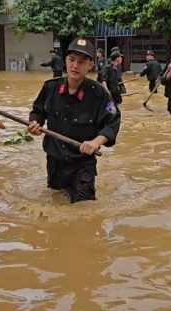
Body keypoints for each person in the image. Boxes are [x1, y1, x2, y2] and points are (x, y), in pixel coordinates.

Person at [28, 37, 121, 204]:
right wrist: (34, 124)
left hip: (82, 163)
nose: (75, 65)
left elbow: (113, 120)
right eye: (71, 60)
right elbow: (37, 111)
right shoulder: (50, 88)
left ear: (91, 65)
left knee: (84, 209)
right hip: (55, 162)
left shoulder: (98, 94)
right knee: (56, 205)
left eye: (81, 61)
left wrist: (96, 141)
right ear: (65, 60)